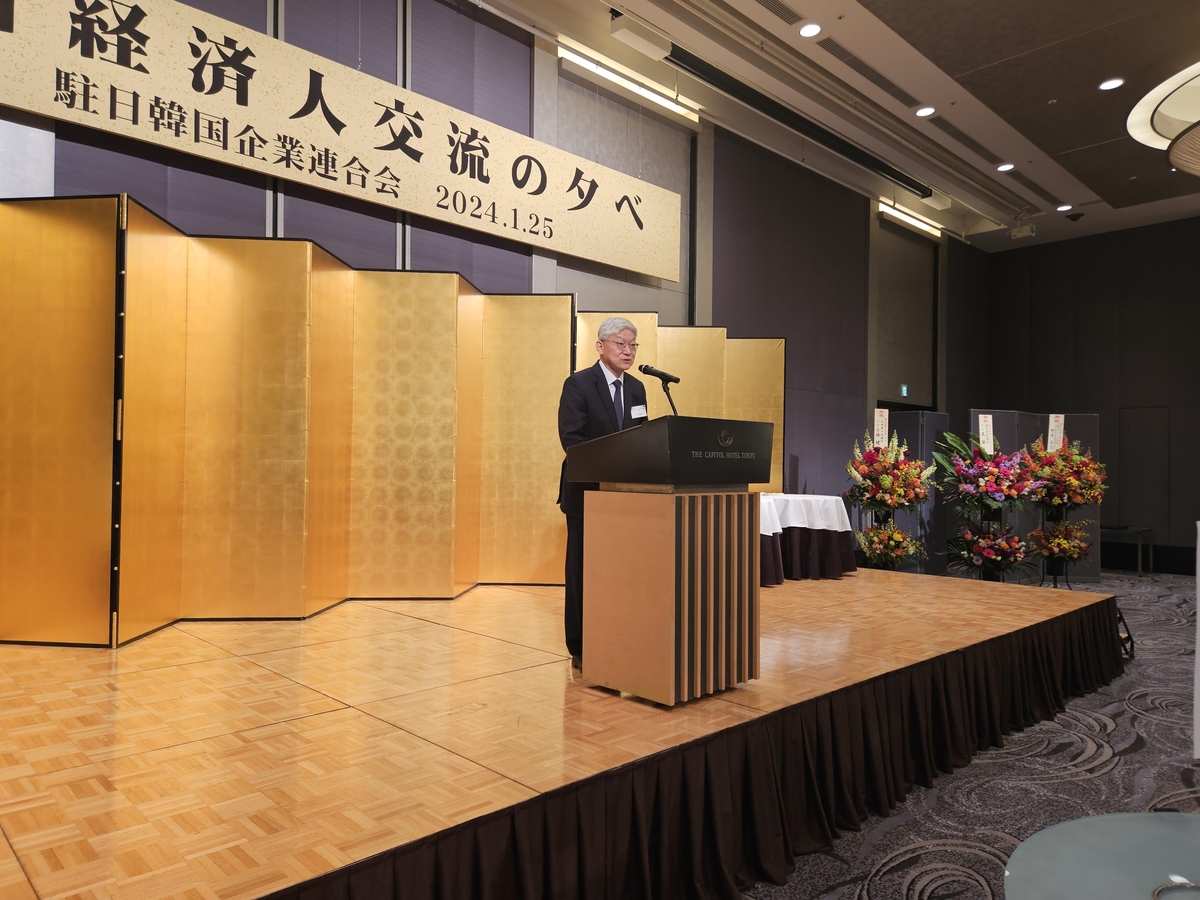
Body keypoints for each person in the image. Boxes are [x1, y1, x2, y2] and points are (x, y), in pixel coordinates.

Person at [557, 317, 649, 670]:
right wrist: (617, 462)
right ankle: (580, 645)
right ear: (600, 346)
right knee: (582, 572)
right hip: (586, 497)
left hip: (626, 499)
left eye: (633, 345)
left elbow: (643, 438)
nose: (627, 351)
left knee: (620, 573)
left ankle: (617, 635)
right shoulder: (579, 384)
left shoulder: (638, 388)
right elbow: (573, 441)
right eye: (620, 344)